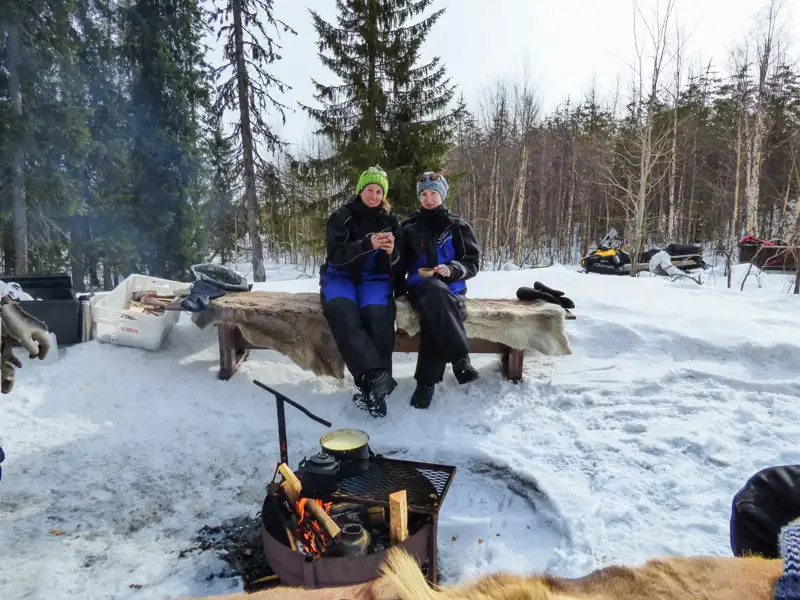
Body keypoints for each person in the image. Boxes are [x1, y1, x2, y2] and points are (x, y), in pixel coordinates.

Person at [319, 166, 402, 418]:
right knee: (342, 312)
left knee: (379, 318)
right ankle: (377, 380)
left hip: (373, 277)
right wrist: (369, 243)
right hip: (340, 275)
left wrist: (392, 254)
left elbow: (400, 261)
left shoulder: (390, 222)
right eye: (369, 190)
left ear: (383, 195)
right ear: (360, 191)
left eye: (379, 191)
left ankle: (375, 392)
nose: (374, 195)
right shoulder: (341, 216)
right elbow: (336, 255)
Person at [394, 171, 480, 409]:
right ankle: (460, 358)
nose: (429, 199)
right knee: (433, 290)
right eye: (424, 194)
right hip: (420, 289)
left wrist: (452, 270)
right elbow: (398, 264)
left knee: (436, 313)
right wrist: (399, 289)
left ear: (442, 195)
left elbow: (472, 262)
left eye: (434, 193)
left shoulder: (458, 226)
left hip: (453, 290)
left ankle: (426, 384)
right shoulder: (408, 227)